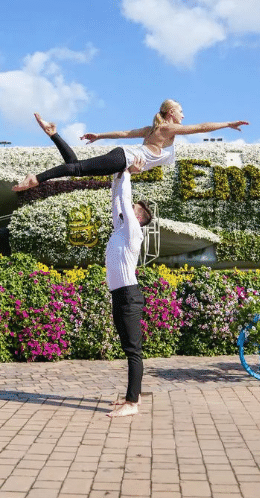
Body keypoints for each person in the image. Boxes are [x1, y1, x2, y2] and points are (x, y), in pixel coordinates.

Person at [11, 100, 249, 191]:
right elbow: (200, 128)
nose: (184, 116)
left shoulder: (153, 129)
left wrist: (100, 136)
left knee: (75, 166)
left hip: (123, 156)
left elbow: (125, 133)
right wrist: (227, 123)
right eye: (181, 112)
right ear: (171, 113)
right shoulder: (167, 128)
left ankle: (54, 134)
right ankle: (36, 179)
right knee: (77, 170)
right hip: (124, 158)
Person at [105, 156, 151, 417]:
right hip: (119, 294)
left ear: (137, 216)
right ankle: (133, 397)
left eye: (131, 208)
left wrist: (127, 171)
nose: (126, 208)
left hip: (129, 295)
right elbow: (116, 201)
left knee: (133, 351)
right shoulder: (119, 229)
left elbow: (124, 199)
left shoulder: (134, 232)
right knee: (127, 348)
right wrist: (117, 177)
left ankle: (132, 403)